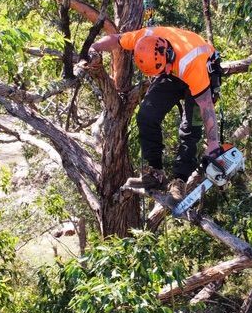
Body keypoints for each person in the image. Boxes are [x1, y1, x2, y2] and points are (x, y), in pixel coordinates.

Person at [87, 25, 224, 199]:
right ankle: (155, 173)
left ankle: (179, 181)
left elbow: (206, 106)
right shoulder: (144, 39)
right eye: (160, 71)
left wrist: (213, 144)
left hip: (202, 69)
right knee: (146, 115)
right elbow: (116, 39)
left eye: (164, 67)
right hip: (174, 69)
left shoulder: (191, 64)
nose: (166, 71)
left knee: (190, 127)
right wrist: (94, 48)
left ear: (167, 53)